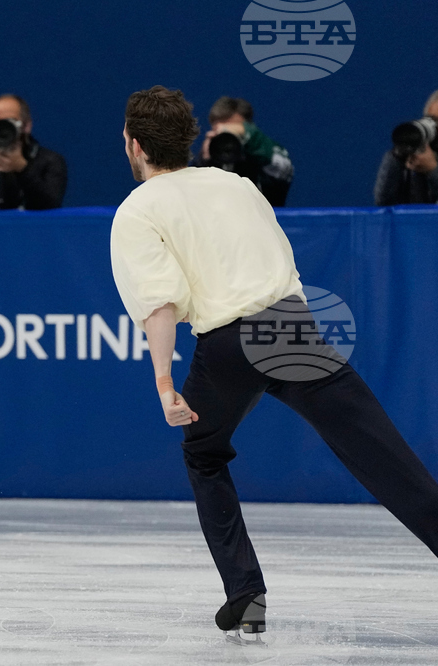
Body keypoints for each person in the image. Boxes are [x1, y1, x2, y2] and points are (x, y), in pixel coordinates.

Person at [111, 85, 438, 643]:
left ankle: (246, 595)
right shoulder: (237, 184)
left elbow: (158, 305)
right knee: (383, 456)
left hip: (226, 344)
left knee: (204, 452)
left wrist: (165, 384)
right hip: (289, 326)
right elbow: (279, 258)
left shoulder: (138, 209)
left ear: (134, 145)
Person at [191, 96, 293, 207]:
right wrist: (204, 161)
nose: (227, 139)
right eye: (220, 131)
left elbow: (283, 170)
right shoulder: (207, 162)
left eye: (232, 132)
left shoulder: (263, 159)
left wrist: (248, 135)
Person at [373, 91, 438, 205]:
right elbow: (383, 202)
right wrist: (397, 156)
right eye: (432, 120)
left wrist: (432, 170)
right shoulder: (416, 154)